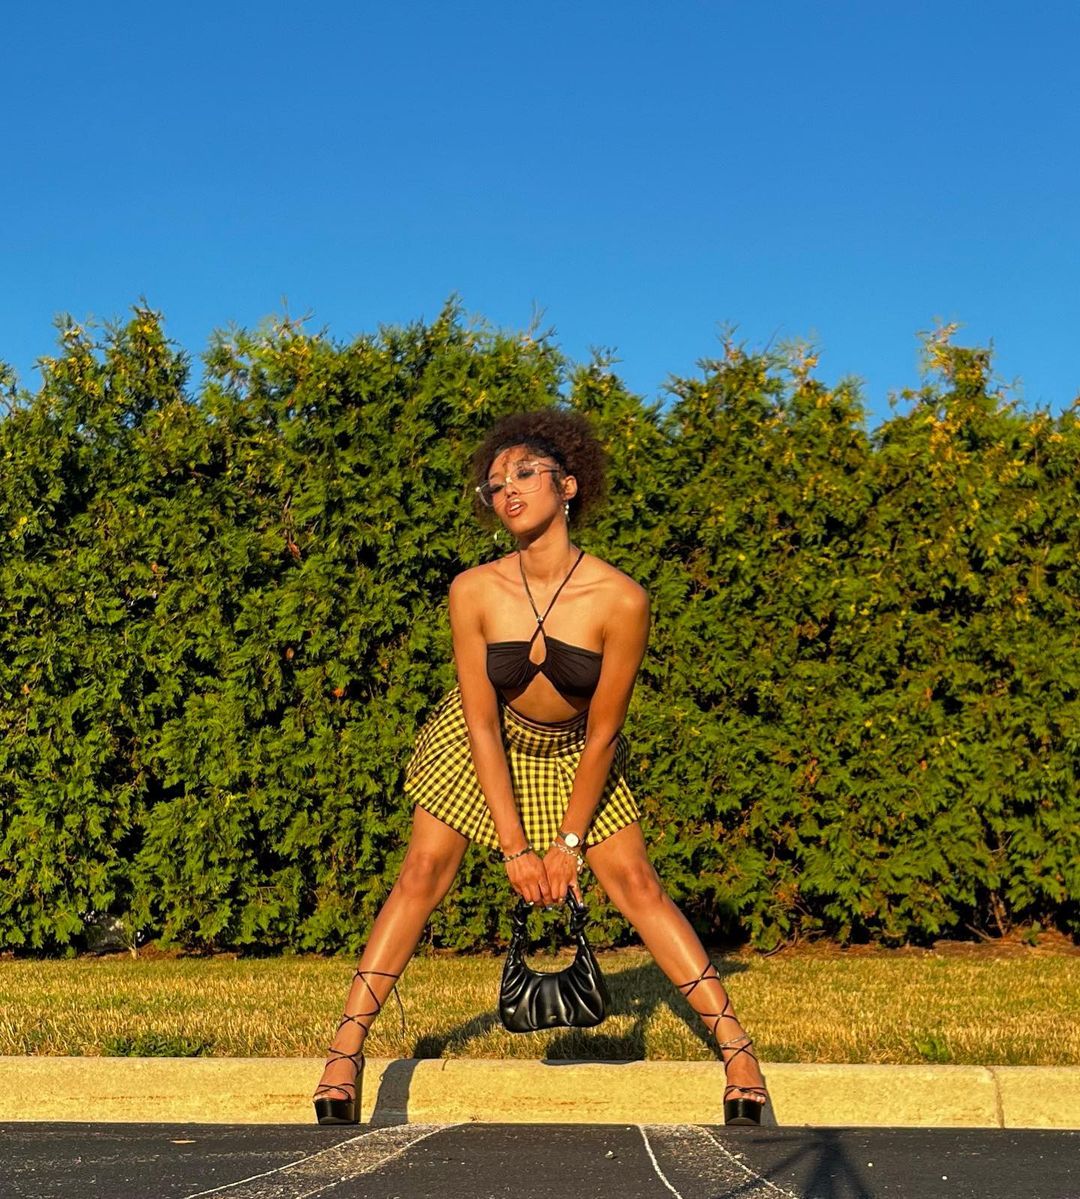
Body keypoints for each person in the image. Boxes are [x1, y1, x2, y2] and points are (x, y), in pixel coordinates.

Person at [312, 408, 769, 1126]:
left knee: (638, 885)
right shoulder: (473, 590)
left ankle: (739, 1053)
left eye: (526, 473)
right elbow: (479, 720)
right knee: (421, 873)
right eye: (496, 483)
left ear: (569, 485)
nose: (509, 489)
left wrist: (568, 845)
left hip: (576, 753)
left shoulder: (622, 599)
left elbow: (605, 732)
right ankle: (345, 1050)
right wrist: (515, 848)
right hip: (480, 743)